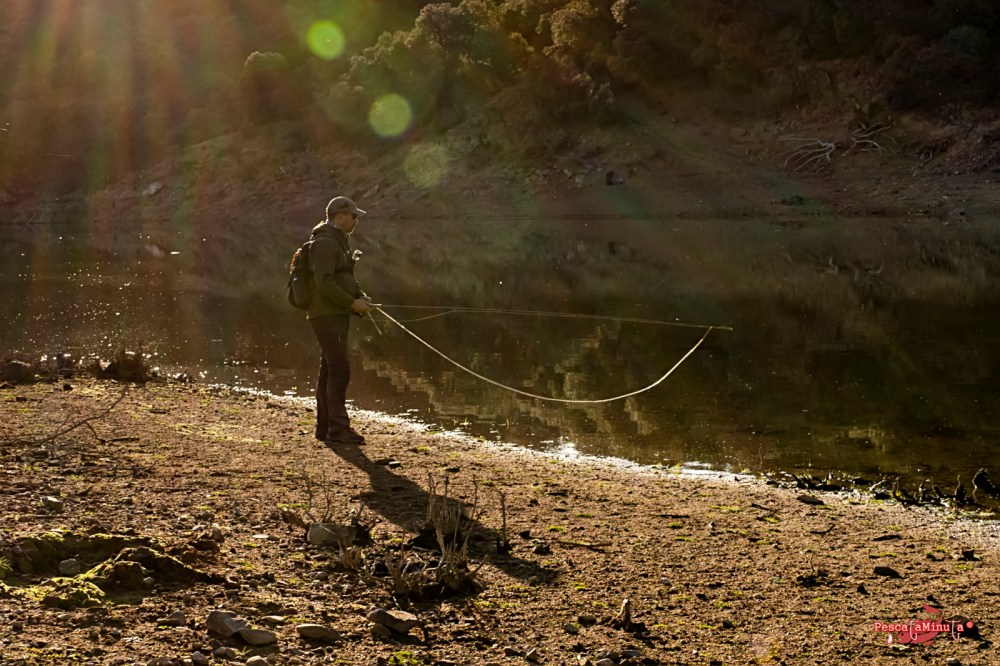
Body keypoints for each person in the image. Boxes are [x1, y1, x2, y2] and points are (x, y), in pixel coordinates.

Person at [306, 196, 373, 445]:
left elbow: (343, 277)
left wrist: (360, 296)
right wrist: (352, 303)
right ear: (341, 216)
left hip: (334, 313)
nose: (356, 221)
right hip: (326, 315)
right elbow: (324, 283)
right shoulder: (325, 243)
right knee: (340, 369)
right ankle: (338, 429)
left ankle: (325, 427)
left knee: (329, 369)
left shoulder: (337, 241)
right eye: (353, 216)